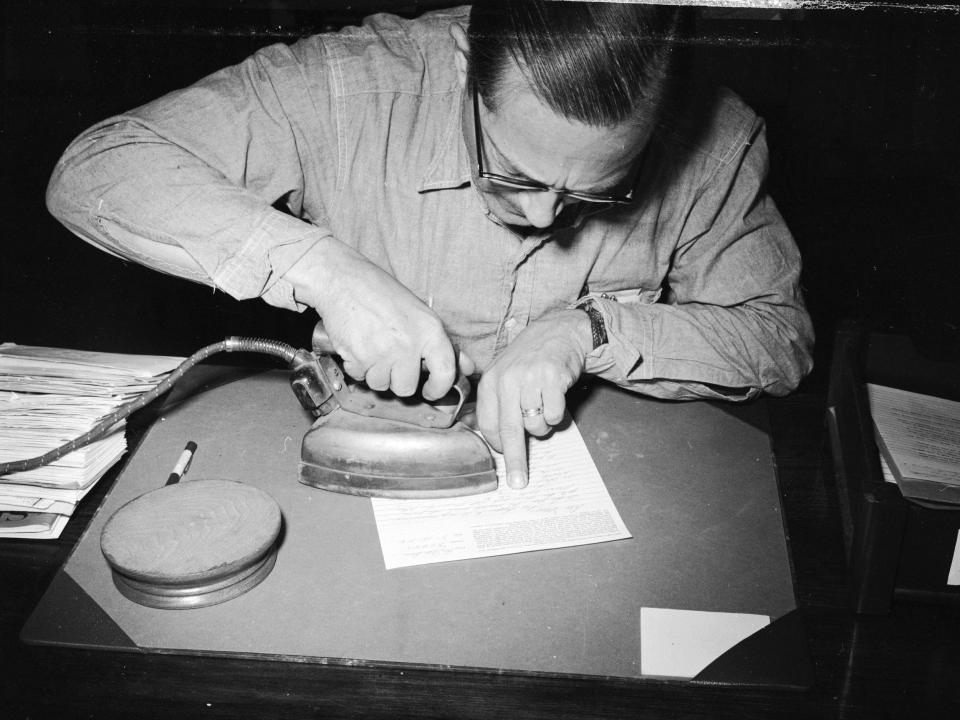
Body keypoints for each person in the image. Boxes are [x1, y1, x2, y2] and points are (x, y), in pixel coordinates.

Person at [46, 1, 814, 490]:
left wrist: (590, 329)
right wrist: (325, 270)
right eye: (511, 172)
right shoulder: (349, 87)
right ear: (461, 71)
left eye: (594, 192)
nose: (547, 218)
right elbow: (97, 170)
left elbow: (779, 337)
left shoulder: (713, 138)